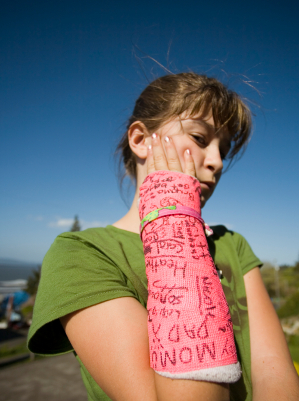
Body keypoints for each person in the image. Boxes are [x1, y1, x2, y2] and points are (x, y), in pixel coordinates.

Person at [28, 73, 299, 401]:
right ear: (141, 139)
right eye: (200, 138)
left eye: (223, 150)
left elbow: (275, 372)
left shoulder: (232, 244)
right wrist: (173, 224)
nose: (216, 162)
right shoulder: (82, 254)